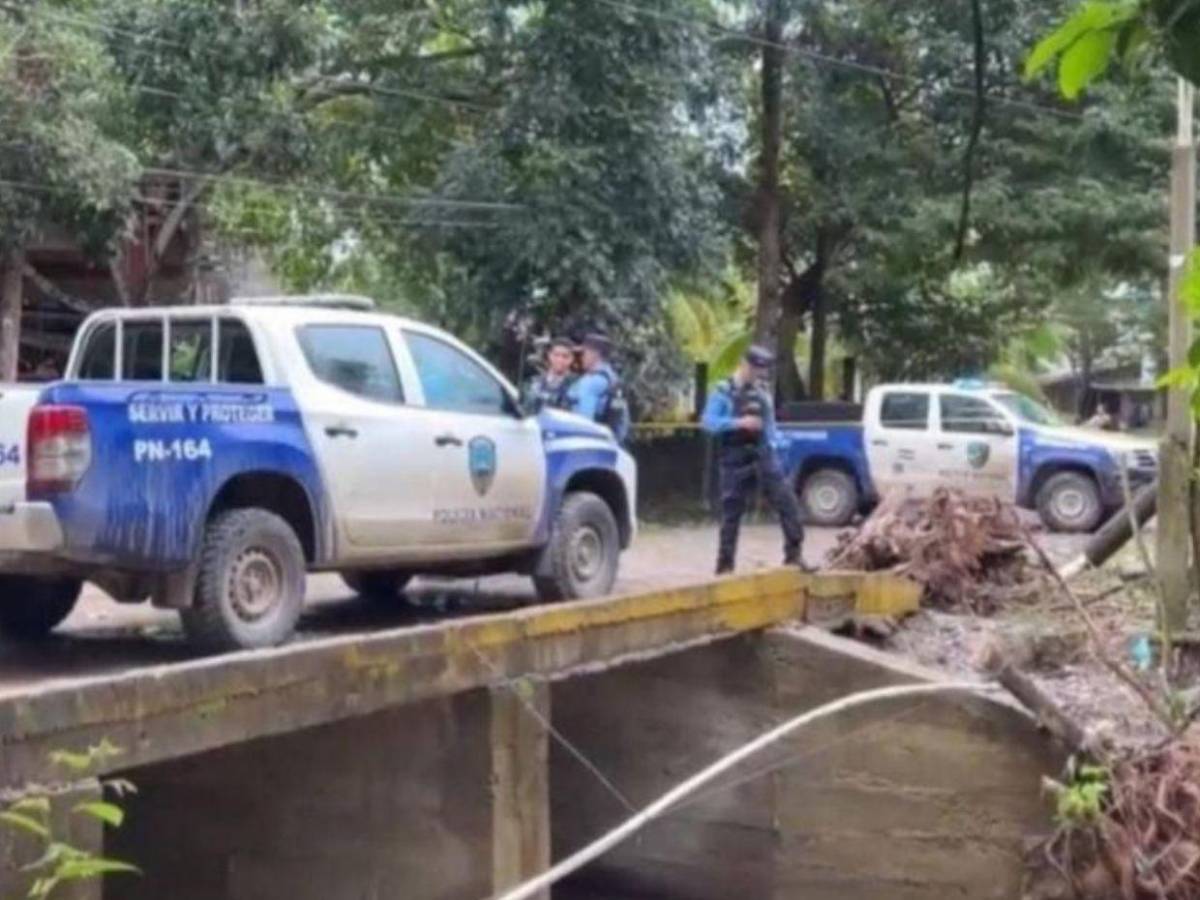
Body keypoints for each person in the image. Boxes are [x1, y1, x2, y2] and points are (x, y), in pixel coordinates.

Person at [701, 345, 806, 575]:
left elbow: (770, 428)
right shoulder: (722, 391)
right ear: (745, 364)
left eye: (762, 371)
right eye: (756, 369)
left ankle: (794, 555)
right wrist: (738, 423)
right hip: (734, 456)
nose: (759, 375)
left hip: (762, 454)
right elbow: (707, 422)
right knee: (731, 515)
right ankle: (725, 567)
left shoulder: (761, 394)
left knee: (788, 502)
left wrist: (780, 447)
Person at [567, 333, 630, 443]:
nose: (581, 358)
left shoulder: (591, 382)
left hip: (590, 444)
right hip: (611, 443)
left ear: (594, 354)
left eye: (583, 353)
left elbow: (584, 421)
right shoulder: (613, 379)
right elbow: (623, 421)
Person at [524, 337, 577, 411]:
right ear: (549, 355)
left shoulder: (576, 385)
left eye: (565, 356)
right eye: (556, 355)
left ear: (571, 359)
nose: (560, 360)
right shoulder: (534, 382)